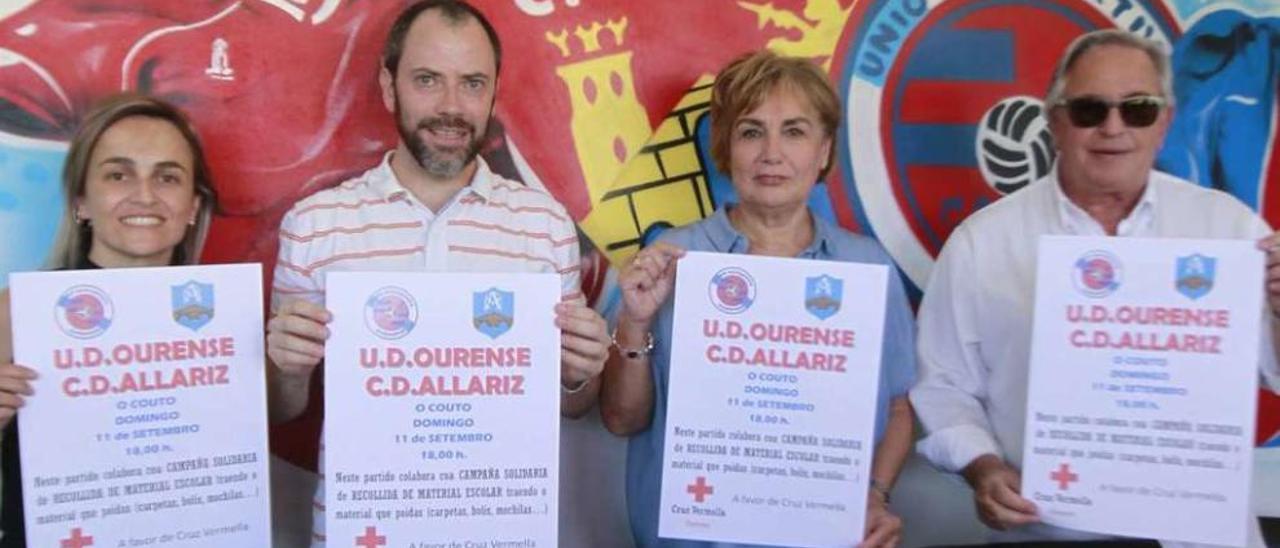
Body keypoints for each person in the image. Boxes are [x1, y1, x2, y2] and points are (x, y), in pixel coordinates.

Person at [263, 1, 612, 545]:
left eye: (472, 83)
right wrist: (283, 367)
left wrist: (579, 372)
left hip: (501, 529)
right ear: (388, 86)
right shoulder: (316, 224)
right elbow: (283, 408)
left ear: (494, 91)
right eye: (427, 80)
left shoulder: (545, 227)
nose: (452, 107)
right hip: (364, 530)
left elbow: (572, 405)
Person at [910, 29, 1280, 542]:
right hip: (1051, 529)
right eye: (1089, 110)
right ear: (1055, 122)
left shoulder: (1230, 231)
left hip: (1198, 533)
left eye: (1139, 109)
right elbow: (944, 383)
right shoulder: (984, 241)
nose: (1113, 127)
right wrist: (983, 466)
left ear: (1165, 123)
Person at [600, 50, 916, 548]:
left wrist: (875, 495)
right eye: (751, 131)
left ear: (825, 150)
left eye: (794, 131)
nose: (772, 153)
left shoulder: (866, 267)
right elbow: (622, 420)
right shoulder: (669, 261)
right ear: (727, 147)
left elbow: (898, 407)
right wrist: (636, 323)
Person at [0, 93, 219, 546]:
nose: (144, 195)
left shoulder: (224, 322)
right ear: (81, 200)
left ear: (193, 206)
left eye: (168, 177)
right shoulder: (15, 313)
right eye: (118, 174)